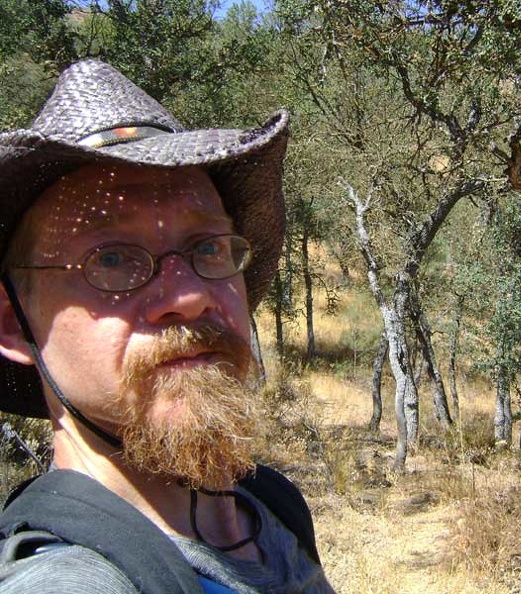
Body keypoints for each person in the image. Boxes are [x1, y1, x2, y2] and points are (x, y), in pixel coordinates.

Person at [0, 59, 335, 593]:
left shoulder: (270, 506)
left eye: (207, 247)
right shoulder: (66, 580)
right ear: (12, 322)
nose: (189, 295)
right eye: (110, 260)